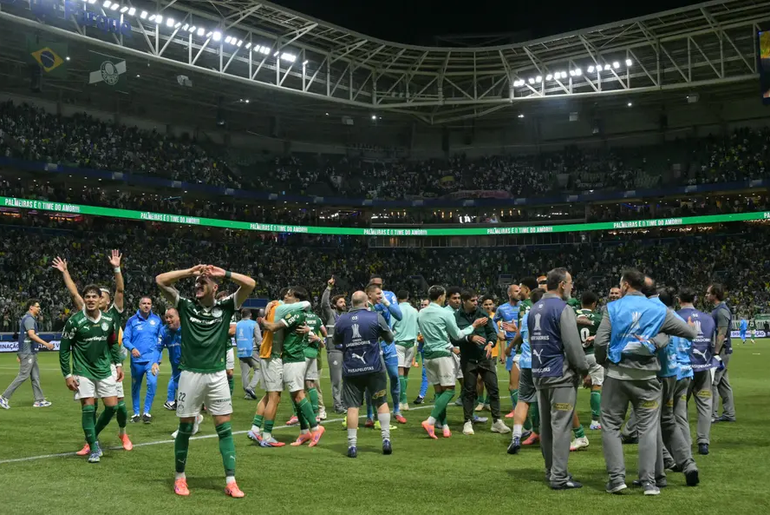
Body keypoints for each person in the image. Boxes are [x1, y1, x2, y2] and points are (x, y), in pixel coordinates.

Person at [156, 264, 255, 498]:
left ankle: (231, 481)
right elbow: (160, 280)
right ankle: (180, 478)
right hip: (190, 374)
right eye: (196, 283)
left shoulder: (227, 305)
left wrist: (225, 273)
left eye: (203, 282)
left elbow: (250, 284)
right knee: (186, 427)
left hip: (217, 374)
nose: (198, 285)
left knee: (224, 428)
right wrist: (190, 272)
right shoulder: (186, 306)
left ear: (215, 287)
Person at [594, 269, 697, 496]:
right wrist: (658, 339)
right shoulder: (658, 309)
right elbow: (688, 332)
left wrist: (605, 363)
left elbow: (600, 343)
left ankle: (616, 479)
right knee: (648, 429)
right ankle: (649, 482)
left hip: (618, 375)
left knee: (611, 426)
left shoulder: (613, 308)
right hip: (648, 378)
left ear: (626, 285)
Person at [52, 252, 132, 454]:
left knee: (118, 407)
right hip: (87, 366)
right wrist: (65, 272)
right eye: (96, 295)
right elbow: (74, 294)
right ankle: (91, 441)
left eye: (101, 295)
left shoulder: (113, 313)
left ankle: (122, 432)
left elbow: (120, 289)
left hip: (112, 364)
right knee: (90, 405)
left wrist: (116, 268)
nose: (99, 298)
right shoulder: (84, 313)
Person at [527, 268, 587, 490]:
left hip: (539, 374)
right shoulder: (563, 308)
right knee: (561, 427)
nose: (572, 287)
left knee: (547, 427)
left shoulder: (534, 309)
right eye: (570, 283)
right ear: (562, 284)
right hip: (560, 375)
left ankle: (550, 470)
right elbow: (573, 346)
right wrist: (584, 370)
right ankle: (559, 477)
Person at [59, 284, 123, 463]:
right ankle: (94, 447)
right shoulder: (74, 321)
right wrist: (67, 375)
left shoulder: (109, 320)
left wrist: (118, 364)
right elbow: (64, 349)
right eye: (87, 297)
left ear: (100, 298)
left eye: (94, 296)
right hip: (82, 370)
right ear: (84, 299)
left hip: (103, 368)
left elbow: (112, 343)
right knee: (88, 407)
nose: (91, 300)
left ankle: (92, 434)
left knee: (112, 407)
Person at [418, 285, 487, 439]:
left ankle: (445, 426)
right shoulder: (444, 313)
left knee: (439, 392)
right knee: (450, 390)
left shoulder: (421, 313)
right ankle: (430, 421)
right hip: (443, 354)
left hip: (428, 356)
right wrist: (473, 326)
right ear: (442, 297)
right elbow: (457, 335)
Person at [261, 286, 326, 447]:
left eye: (289, 295)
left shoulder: (295, 313)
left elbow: (272, 327)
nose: (286, 297)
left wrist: (261, 319)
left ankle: (316, 427)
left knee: (298, 394)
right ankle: (304, 432)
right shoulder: (299, 313)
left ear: (297, 300)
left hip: (294, 359)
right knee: (294, 395)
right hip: (290, 357)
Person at [334, 291, 396, 458]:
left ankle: (352, 445)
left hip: (351, 369)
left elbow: (336, 341)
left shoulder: (342, 320)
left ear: (351, 303)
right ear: (366, 302)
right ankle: (386, 440)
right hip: (374, 368)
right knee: (381, 402)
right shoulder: (375, 317)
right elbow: (389, 338)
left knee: (353, 407)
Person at [649, 287, 699, 488]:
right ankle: (687, 463)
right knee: (668, 420)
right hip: (674, 372)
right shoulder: (672, 314)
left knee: (650, 423)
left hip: (655, 374)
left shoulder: (650, 310)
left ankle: (659, 473)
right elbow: (690, 334)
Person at [247, 289, 310, 447]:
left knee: (269, 396)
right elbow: (307, 304)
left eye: (289, 294)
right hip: (272, 357)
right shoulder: (283, 308)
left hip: (269, 355)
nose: (285, 296)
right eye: (286, 294)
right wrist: (264, 319)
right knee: (275, 398)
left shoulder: (277, 306)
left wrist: (272, 303)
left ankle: (255, 429)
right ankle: (267, 436)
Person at [454, 290, 509, 436]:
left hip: (485, 357)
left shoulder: (482, 314)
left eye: (476, 300)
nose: (475, 303)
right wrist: (469, 338)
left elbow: (492, 332)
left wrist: (490, 344)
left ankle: (497, 421)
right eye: (472, 301)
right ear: (464, 302)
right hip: (469, 358)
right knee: (469, 391)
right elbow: (453, 338)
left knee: (494, 389)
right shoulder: (456, 317)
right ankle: (468, 421)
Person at [678, 288, 717, 455]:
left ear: (678, 299)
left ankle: (685, 441)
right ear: (695, 298)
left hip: (684, 368)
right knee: (705, 405)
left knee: (681, 406)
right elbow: (713, 345)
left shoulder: (675, 317)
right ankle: (704, 442)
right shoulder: (708, 318)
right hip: (703, 367)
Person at [506, 288, 544, 454]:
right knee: (548, 401)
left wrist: (509, 347)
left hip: (526, 362)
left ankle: (516, 436)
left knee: (523, 400)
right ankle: (548, 436)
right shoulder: (551, 314)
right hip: (544, 363)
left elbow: (521, 335)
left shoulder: (527, 315)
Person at [0, 299, 54, 409]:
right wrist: (46, 344)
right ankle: (4, 397)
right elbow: (31, 335)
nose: (39, 309)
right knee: (23, 375)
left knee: (35, 376)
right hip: (28, 353)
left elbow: (22, 337)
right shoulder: (29, 319)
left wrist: (19, 354)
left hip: (30, 352)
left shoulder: (29, 318)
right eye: (37, 307)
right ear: (31, 307)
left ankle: (39, 400)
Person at [364, 279, 404, 425]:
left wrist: (387, 303)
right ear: (369, 291)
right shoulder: (364, 302)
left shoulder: (388, 296)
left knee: (394, 376)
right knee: (371, 381)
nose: (380, 289)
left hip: (388, 344)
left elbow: (399, 316)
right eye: (377, 286)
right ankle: (369, 414)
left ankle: (397, 410)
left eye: (381, 286)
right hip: (372, 346)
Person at [123, 297, 163, 423]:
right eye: (144, 303)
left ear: (151, 305)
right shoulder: (131, 321)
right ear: (139, 305)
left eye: (149, 303)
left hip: (152, 360)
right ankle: (136, 413)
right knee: (136, 387)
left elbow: (160, 339)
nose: (146, 306)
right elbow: (125, 339)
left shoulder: (157, 320)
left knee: (152, 383)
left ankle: (146, 412)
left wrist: (158, 357)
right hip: (137, 361)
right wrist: (132, 348)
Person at [707, 283, 736, 423]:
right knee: (723, 383)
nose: (706, 295)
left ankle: (712, 414)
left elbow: (721, 333)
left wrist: (716, 353)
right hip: (723, 351)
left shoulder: (721, 311)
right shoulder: (718, 310)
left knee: (713, 381)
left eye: (708, 293)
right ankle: (729, 414)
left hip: (721, 351)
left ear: (715, 295)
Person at [575, 291, 603, 432]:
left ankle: (569, 418)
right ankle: (594, 421)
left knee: (571, 388)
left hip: (576, 355)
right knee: (596, 387)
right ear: (594, 304)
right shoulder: (599, 317)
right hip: (593, 355)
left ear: (581, 302)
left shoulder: (573, 316)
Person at [494, 284, 521, 418]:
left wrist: (516, 329)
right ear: (510, 294)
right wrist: (498, 332)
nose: (519, 293)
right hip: (511, 345)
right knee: (513, 381)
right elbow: (493, 321)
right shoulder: (502, 308)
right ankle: (516, 408)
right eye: (516, 291)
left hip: (525, 344)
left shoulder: (525, 306)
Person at [320, 277, 346, 414]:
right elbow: (324, 303)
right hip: (334, 351)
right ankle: (338, 405)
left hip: (347, 351)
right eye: (341, 302)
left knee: (347, 378)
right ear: (335, 305)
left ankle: (344, 402)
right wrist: (328, 288)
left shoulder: (347, 315)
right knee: (336, 380)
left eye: (344, 301)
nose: (344, 303)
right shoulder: (331, 315)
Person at [393, 290, 419, 413]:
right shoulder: (415, 311)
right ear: (408, 297)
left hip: (399, 343)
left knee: (400, 372)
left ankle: (402, 400)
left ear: (398, 298)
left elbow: (390, 326)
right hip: (411, 344)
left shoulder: (396, 310)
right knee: (406, 373)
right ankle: (404, 400)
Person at [156, 308, 183, 411]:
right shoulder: (164, 330)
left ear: (178, 317)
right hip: (175, 365)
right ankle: (172, 401)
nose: (168, 319)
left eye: (171, 317)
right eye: (166, 317)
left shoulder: (187, 328)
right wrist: (155, 361)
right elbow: (158, 348)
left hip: (190, 364)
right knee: (177, 383)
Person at [236, 309, 262, 400]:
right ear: (250, 314)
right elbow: (258, 339)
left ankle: (248, 394)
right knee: (259, 370)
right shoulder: (254, 324)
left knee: (245, 373)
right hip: (252, 349)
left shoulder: (237, 324)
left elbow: (236, 338)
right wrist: (261, 347)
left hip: (241, 350)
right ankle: (250, 388)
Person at [413, 297, 431, 405]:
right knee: (425, 373)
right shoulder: (419, 317)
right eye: (422, 305)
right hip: (425, 350)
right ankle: (421, 396)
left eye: (425, 305)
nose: (423, 307)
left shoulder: (435, 317)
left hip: (437, 349)